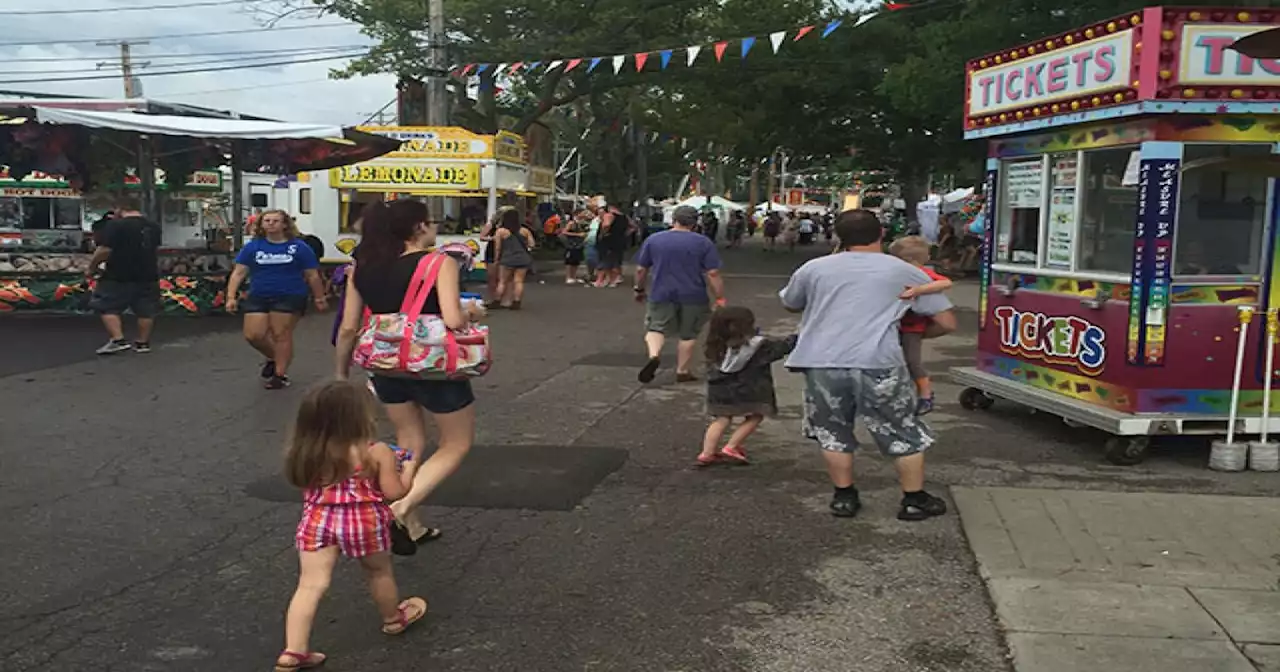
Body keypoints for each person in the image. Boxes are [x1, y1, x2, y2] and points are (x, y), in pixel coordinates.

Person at [779, 209, 957, 521]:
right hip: (879, 361)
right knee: (901, 428)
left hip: (822, 361)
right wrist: (915, 337)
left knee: (832, 430)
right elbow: (946, 321)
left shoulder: (814, 268)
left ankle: (844, 497)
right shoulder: (902, 270)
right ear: (881, 235)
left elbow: (791, 302)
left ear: (839, 236)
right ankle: (913, 499)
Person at [334, 199, 480, 553]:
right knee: (455, 443)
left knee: (409, 439)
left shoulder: (362, 267)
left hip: (384, 362)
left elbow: (349, 325)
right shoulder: (438, 262)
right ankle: (398, 509)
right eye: (430, 222)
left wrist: (341, 371)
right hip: (434, 365)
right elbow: (453, 319)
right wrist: (472, 309)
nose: (434, 228)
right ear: (417, 227)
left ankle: (412, 525)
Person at [274, 381, 427, 672]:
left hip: (319, 520)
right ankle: (393, 619)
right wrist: (408, 469)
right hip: (364, 521)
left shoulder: (306, 451)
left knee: (310, 584)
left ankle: (293, 651)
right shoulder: (376, 451)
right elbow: (394, 493)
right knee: (377, 572)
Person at [226, 210, 327, 390]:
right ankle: (274, 357)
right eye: (267, 221)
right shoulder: (253, 247)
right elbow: (239, 273)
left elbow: (312, 275)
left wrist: (319, 297)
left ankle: (279, 375)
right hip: (259, 294)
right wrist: (230, 297)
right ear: (261, 224)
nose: (271, 224)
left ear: (285, 225)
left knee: (281, 334)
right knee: (253, 335)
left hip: (290, 295)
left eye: (275, 221)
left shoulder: (299, 247)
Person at [634, 205, 726, 384]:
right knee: (688, 333)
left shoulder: (654, 240)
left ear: (674, 219)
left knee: (655, 328)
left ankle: (654, 355)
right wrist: (720, 297)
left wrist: (639, 289)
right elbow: (712, 273)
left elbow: (641, 268)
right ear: (695, 222)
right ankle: (682, 370)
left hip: (661, 292)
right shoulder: (703, 242)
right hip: (693, 294)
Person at [698, 306, 797, 467]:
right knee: (755, 415)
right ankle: (731, 446)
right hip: (751, 388)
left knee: (721, 418)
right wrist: (796, 338)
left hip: (719, 389)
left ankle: (707, 453)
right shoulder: (758, 346)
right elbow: (780, 349)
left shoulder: (714, 344)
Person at [88, 196, 162, 355]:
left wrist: (91, 267)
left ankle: (118, 339)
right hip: (148, 273)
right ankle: (143, 343)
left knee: (107, 305)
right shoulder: (154, 226)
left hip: (118, 273)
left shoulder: (116, 225)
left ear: (120, 209)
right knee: (145, 309)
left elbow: (105, 250)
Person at [888, 236, 953, 415]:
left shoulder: (921, 274)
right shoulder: (895, 272)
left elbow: (946, 282)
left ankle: (925, 394)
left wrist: (918, 290)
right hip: (895, 324)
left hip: (912, 326)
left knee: (912, 361)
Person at [492, 208, 536, 309]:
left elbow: (498, 247)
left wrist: (496, 259)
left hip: (507, 258)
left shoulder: (501, 231)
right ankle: (516, 302)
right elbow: (532, 244)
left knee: (502, 281)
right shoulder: (524, 230)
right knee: (519, 281)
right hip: (522, 258)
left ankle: (497, 300)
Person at [595, 201, 629, 288]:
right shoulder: (624, 217)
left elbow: (606, 225)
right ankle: (612, 280)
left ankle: (609, 280)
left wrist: (602, 234)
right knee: (615, 261)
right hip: (618, 241)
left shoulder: (609, 215)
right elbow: (632, 226)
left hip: (608, 240)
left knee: (606, 260)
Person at [560, 210, 588, 284]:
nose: (585, 214)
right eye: (583, 213)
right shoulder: (571, 223)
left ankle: (574, 276)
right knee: (570, 261)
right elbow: (564, 232)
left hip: (579, 245)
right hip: (571, 244)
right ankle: (568, 277)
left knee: (576, 261)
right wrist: (577, 235)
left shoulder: (581, 223)